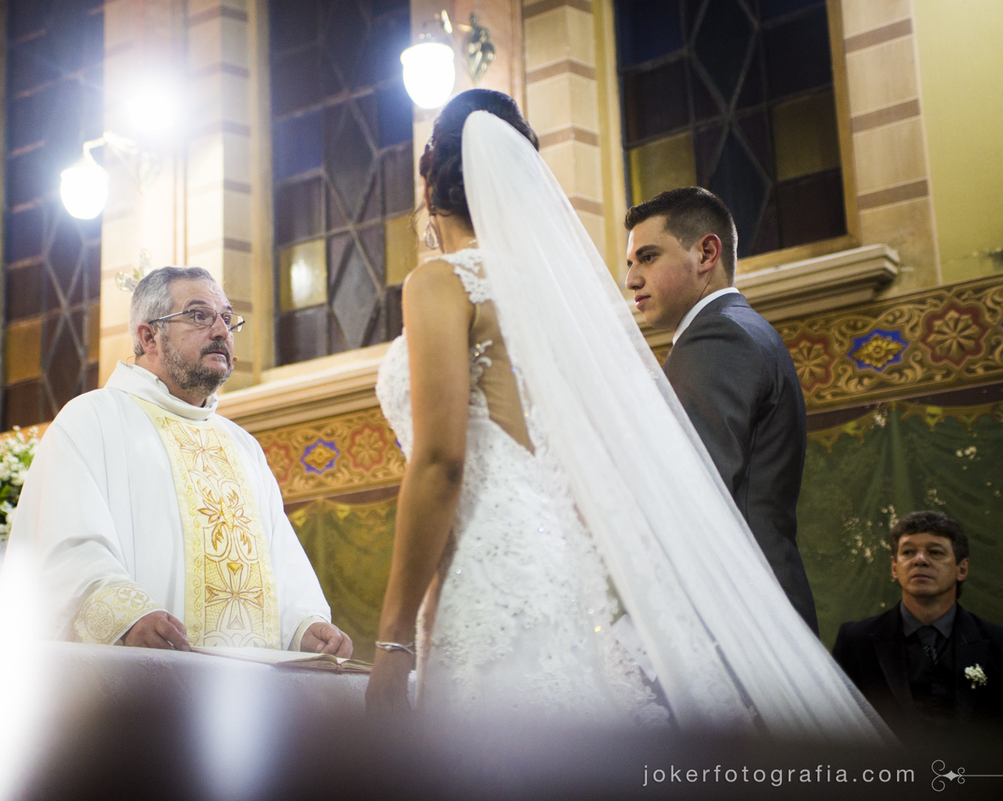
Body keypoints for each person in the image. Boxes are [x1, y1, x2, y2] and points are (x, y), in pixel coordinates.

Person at [366, 89, 887, 742]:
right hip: (567, 563)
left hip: (490, 563)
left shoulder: (441, 281)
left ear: (429, 181)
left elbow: (442, 462)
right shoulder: (559, 301)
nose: (633, 275)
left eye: (649, 257)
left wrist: (391, 641)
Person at [7, 267, 352, 656]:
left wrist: (305, 626)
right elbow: (64, 547)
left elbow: (283, 563)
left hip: (253, 682)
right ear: (148, 336)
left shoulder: (242, 445)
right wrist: (127, 617)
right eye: (199, 316)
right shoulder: (92, 420)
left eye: (226, 318)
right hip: (144, 676)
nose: (221, 331)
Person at [624, 188, 818, 633]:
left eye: (648, 257)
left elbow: (691, 494)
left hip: (741, 611)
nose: (631, 279)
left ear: (706, 253)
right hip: (762, 597)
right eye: (631, 262)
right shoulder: (742, 328)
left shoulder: (717, 338)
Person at [833, 511, 1003, 739]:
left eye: (935, 552)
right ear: (894, 568)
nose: (920, 560)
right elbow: (837, 724)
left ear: (962, 569)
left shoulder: (997, 643)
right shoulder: (855, 641)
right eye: (908, 552)